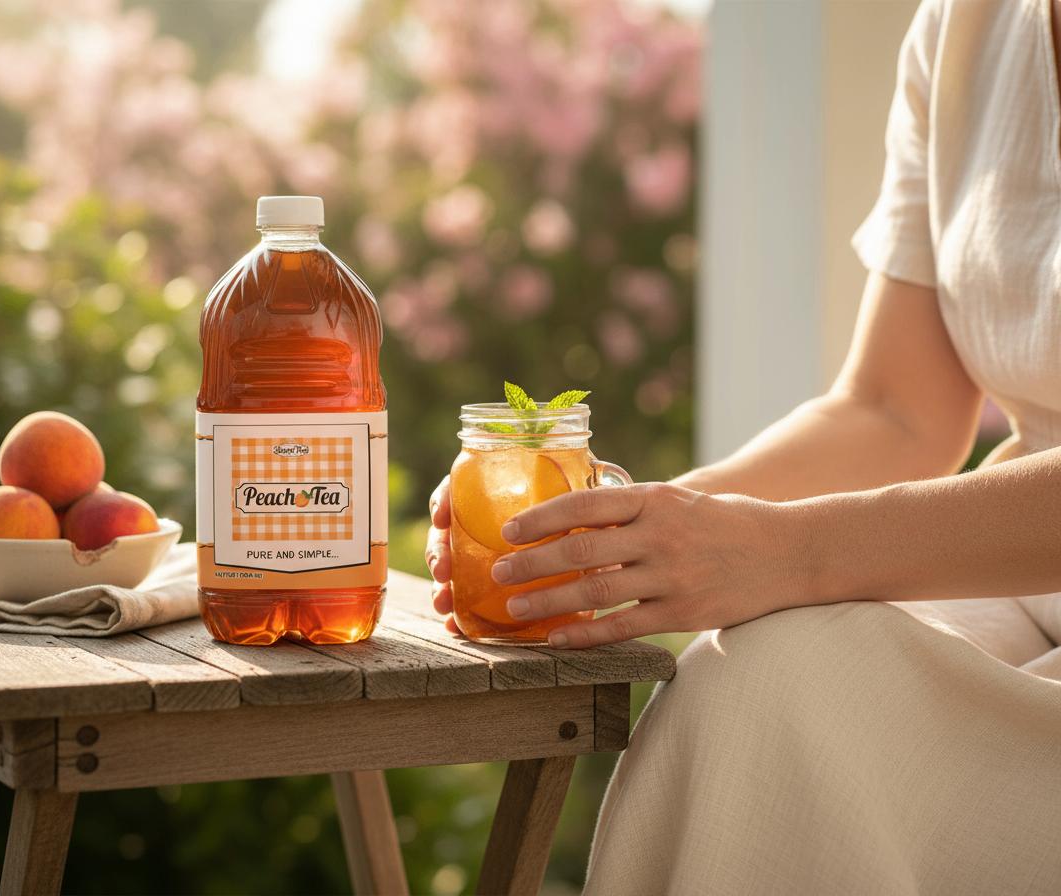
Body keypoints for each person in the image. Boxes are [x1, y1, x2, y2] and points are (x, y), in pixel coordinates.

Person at [425, 0, 1061, 892]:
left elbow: (805, 539)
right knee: (758, 680)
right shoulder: (967, 28)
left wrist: (789, 553)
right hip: (1030, 598)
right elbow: (893, 408)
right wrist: (628, 536)